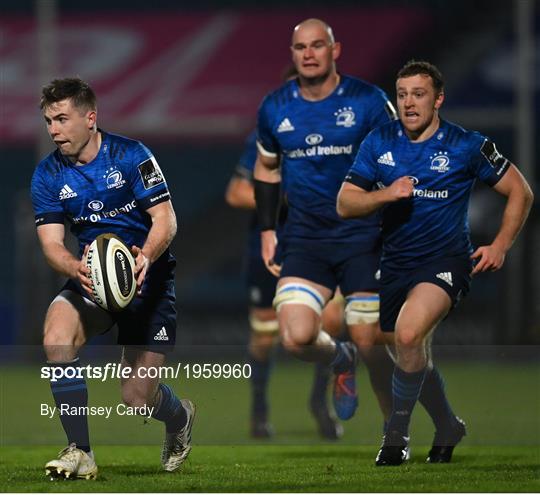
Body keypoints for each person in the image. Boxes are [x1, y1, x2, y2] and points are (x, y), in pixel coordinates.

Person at [337, 60, 534, 465]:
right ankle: (447, 424)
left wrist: (499, 245)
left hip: (446, 261)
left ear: (438, 99)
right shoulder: (379, 142)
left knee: (409, 337)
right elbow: (345, 202)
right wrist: (385, 195)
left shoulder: (466, 144)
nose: (409, 103)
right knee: (406, 351)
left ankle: (396, 436)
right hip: (394, 265)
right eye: (403, 94)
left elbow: (521, 191)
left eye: (419, 94)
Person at [31, 78, 195, 479]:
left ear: (90, 118)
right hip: (93, 279)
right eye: (49, 120)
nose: (53, 129)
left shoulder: (131, 155)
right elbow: (52, 244)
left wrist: (146, 257)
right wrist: (76, 269)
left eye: (62, 119)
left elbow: (165, 219)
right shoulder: (48, 174)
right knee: (56, 337)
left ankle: (180, 418)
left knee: (136, 398)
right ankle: (80, 450)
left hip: (148, 281)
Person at [253, 18, 400, 425]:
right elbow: (266, 170)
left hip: (364, 235)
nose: (309, 54)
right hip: (305, 237)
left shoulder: (368, 101)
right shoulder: (275, 106)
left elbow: (398, 160)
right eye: (301, 47)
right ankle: (340, 358)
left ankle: (395, 430)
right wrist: (268, 230)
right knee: (296, 337)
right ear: (293, 54)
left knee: (369, 337)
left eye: (318, 46)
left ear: (335, 50)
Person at [225, 129, 345, 440]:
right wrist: (282, 197)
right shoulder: (267, 137)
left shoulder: (340, 136)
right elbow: (236, 191)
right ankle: (259, 410)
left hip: (319, 244)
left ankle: (320, 401)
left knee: (331, 319)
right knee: (265, 337)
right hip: (268, 249)